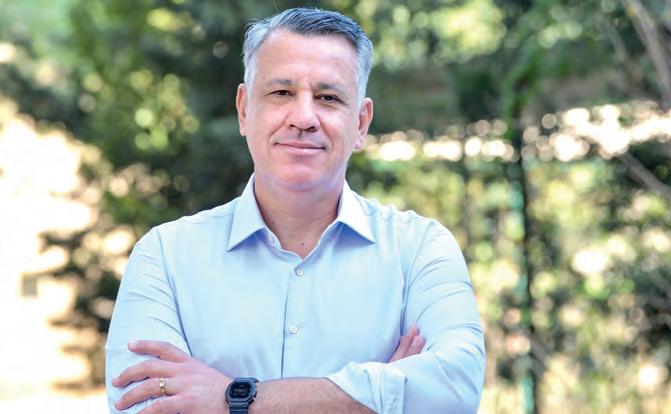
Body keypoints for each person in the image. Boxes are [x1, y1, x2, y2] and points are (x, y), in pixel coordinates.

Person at [105, 7, 485, 414]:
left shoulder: (420, 250)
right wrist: (381, 397)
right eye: (281, 93)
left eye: (328, 98)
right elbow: (140, 407)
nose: (304, 118)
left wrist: (232, 399)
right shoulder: (165, 257)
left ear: (360, 123)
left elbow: (455, 387)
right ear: (244, 110)